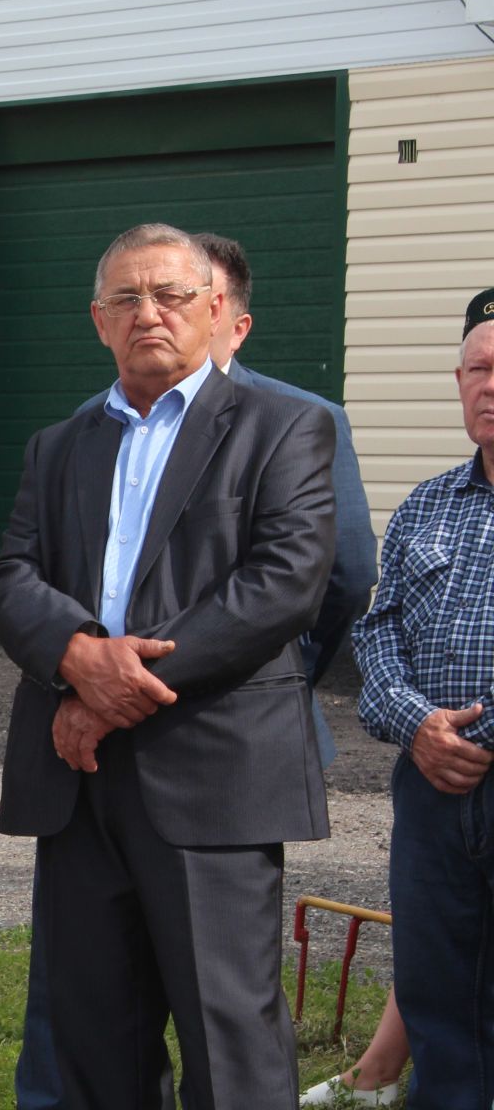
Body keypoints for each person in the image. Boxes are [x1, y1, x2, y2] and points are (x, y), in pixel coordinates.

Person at [17, 231, 379, 1110]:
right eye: (128, 300)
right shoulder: (58, 445)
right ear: (99, 321)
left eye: (172, 296)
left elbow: (288, 583)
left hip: (212, 775)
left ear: (216, 308)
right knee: (97, 1044)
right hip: (79, 789)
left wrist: (112, 693)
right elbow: (9, 577)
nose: (150, 314)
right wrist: (76, 662)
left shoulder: (287, 426)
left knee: (232, 1049)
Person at [352, 287, 494, 1109]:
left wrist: (477, 736)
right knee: (441, 1000)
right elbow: (378, 632)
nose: (489, 384)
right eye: (476, 369)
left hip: (473, 765)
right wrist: (418, 727)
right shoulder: (427, 503)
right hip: (430, 791)